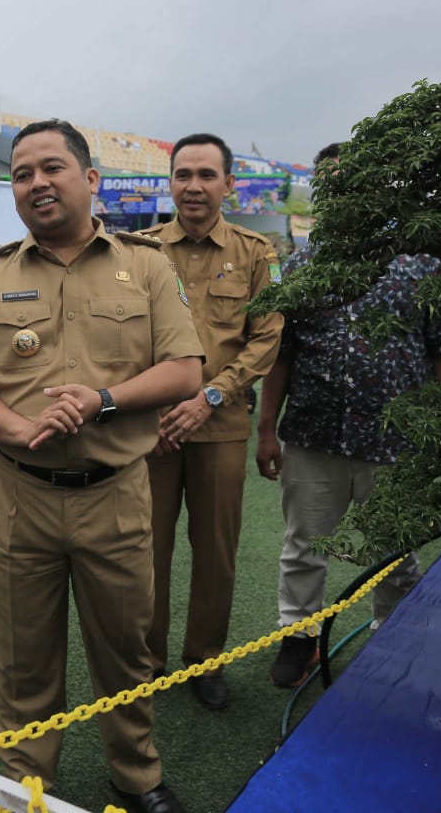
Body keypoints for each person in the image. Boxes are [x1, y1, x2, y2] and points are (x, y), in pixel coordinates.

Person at [0, 119, 204, 813]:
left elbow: (184, 368)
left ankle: (136, 773)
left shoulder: (144, 264)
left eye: (51, 168)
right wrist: (22, 428)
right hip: (19, 493)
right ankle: (25, 779)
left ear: (89, 179)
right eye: (22, 174)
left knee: (126, 647)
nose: (36, 183)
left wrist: (103, 400)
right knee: (22, 654)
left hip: (115, 492)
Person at [255, 142, 441, 687]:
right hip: (312, 435)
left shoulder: (420, 267)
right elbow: (282, 356)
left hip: (394, 439)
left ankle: (393, 634)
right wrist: (265, 430)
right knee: (303, 546)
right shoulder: (301, 266)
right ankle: (298, 638)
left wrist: (439, 428)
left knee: (396, 551)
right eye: (334, 182)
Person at [137, 133, 283, 711]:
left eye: (205, 175)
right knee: (144, 548)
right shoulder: (140, 250)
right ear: (170, 182)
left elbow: (267, 336)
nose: (193, 186)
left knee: (216, 550)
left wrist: (211, 397)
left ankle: (204, 660)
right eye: (182, 175)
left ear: (229, 184)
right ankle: (144, 664)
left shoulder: (256, 253)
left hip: (219, 426)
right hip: (152, 427)